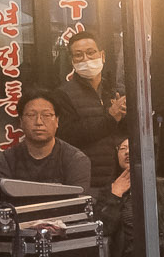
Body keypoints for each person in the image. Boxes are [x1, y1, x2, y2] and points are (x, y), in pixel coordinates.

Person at [52, 34, 128, 182]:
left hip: (123, 177)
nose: (86, 59)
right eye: (78, 55)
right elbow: (68, 136)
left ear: (102, 55)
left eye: (91, 52)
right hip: (88, 177)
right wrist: (110, 118)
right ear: (72, 61)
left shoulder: (116, 90)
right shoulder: (62, 94)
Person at [0, 92, 93, 188]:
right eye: (31, 115)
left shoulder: (75, 160)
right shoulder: (4, 161)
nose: (38, 122)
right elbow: (2, 202)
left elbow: (77, 202)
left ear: (57, 121)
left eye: (46, 115)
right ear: (21, 122)